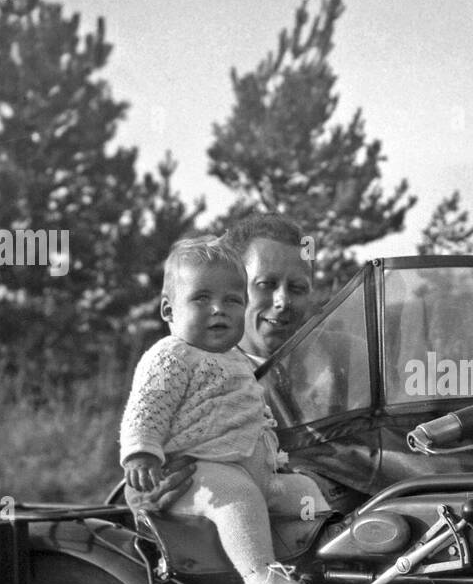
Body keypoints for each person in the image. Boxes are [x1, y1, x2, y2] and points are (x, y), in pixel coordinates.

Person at [120, 234, 327, 584]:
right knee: (236, 496)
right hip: (204, 473)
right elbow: (146, 407)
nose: (219, 310)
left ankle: (318, 573)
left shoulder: (240, 361)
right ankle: (261, 579)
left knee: (307, 493)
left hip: (259, 472)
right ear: (168, 309)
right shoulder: (172, 355)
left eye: (232, 300)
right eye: (201, 299)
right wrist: (142, 455)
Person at [128, 214, 363, 515]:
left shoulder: (344, 355)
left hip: (357, 524)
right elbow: (141, 454)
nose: (282, 301)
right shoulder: (189, 366)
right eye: (266, 284)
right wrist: (147, 496)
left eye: (298, 288)